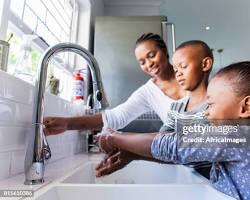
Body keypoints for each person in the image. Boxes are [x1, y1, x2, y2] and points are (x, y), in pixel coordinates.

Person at [96, 61, 250, 200]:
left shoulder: (237, 136)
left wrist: (113, 136)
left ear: (246, 106)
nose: (206, 111)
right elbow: (189, 154)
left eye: (211, 104)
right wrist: (133, 154)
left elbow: (173, 145)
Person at [96, 39, 213, 175]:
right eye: (176, 69)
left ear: (205, 64)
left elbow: (181, 147)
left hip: (215, 183)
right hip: (196, 179)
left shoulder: (215, 107)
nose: (178, 73)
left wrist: (114, 137)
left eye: (183, 66)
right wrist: (133, 155)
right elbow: (163, 144)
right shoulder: (177, 108)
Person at [44, 33, 186, 135]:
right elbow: (115, 117)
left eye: (152, 55)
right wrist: (67, 123)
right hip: (189, 162)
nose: (149, 64)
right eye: (142, 62)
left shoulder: (188, 72)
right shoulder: (148, 92)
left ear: (164, 51)